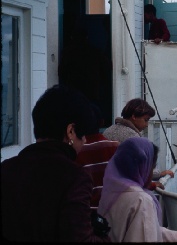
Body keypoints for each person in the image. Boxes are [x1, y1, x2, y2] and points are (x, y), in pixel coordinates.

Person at [1, 84, 110, 242]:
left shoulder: (6, 169)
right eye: (83, 134)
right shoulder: (75, 177)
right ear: (71, 131)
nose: (85, 140)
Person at [98, 137, 177, 242]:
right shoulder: (141, 201)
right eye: (152, 167)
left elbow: (148, 228)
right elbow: (145, 235)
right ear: (143, 167)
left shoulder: (112, 190)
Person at [103, 98, 174, 180]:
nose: (147, 125)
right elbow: (142, 168)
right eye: (146, 120)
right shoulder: (133, 137)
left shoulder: (108, 130)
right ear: (134, 116)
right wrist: (159, 174)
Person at [58, 26, 112, 108]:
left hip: (74, 91)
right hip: (91, 92)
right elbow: (107, 69)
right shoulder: (95, 52)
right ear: (86, 37)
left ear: (72, 38)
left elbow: (61, 72)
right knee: (92, 114)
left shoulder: (67, 53)